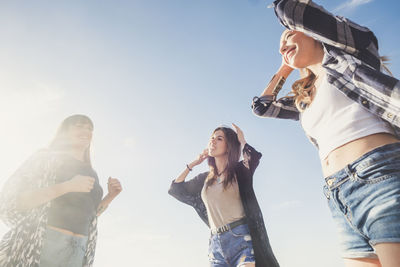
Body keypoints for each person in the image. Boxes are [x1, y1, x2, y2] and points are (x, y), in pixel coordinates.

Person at [252, 1, 400, 266]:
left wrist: (290, 20)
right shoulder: (304, 97)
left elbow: (293, 11)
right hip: (338, 195)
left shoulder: (354, 57)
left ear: (313, 32)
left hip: (381, 176)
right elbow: (264, 107)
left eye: (289, 35)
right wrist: (285, 67)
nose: (283, 45)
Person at [0, 114, 122, 267]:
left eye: (90, 128)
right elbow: (15, 200)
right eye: (79, 126)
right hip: (45, 243)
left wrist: (110, 196)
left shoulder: (91, 172)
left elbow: (91, 215)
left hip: (80, 248)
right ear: (64, 132)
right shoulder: (45, 159)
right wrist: (67, 186)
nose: (86, 130)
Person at [168, 124, 279, 267]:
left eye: (219, 139)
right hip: (216, 244)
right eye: (212, 138)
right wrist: (194, 162)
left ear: (229, 146)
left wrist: (242, 141)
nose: (213, 141)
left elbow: (253, 158)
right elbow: (176, 189)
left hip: (240, 238)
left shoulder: (239, 170)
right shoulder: (204, 180)